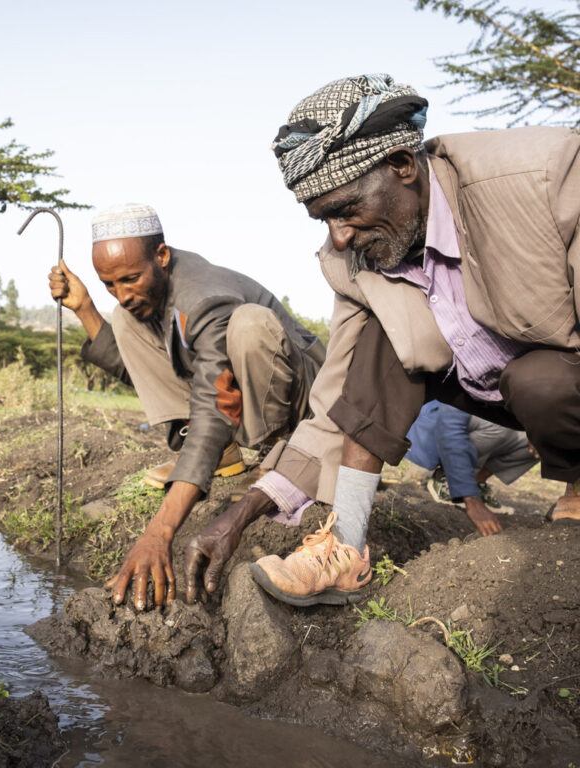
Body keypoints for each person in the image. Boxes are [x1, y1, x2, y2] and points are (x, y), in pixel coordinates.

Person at [183, 73, 580, 609]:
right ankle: (345, 546)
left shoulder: (544, 176)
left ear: (402, 165)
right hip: (486, 392)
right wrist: (244, 509)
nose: (340, 235)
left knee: (542, 380)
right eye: (324, 219)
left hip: (560, 384)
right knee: (382, 338)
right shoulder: (352, 259)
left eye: (346, 209)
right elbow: (339, 399)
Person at [48, 203, 326, 610]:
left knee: (248, 324)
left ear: (161, 256)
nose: (122, 293)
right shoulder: (150, 297)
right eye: (110, 283)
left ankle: (279, 456)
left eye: (130, 278)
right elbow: (144, 373)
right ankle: (226, 456)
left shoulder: (203, 298)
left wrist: (160, 532)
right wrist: (85, 307)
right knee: (123, 320)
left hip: (307, 401)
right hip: (234, 397)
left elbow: (214, 405)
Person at [404, 401, 538, 536]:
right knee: (499, 426)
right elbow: (451, 428)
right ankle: (446, 479)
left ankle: (475, 482)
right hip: (438, 427)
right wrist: (472, 500)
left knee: (540, 436)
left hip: (473, 422)